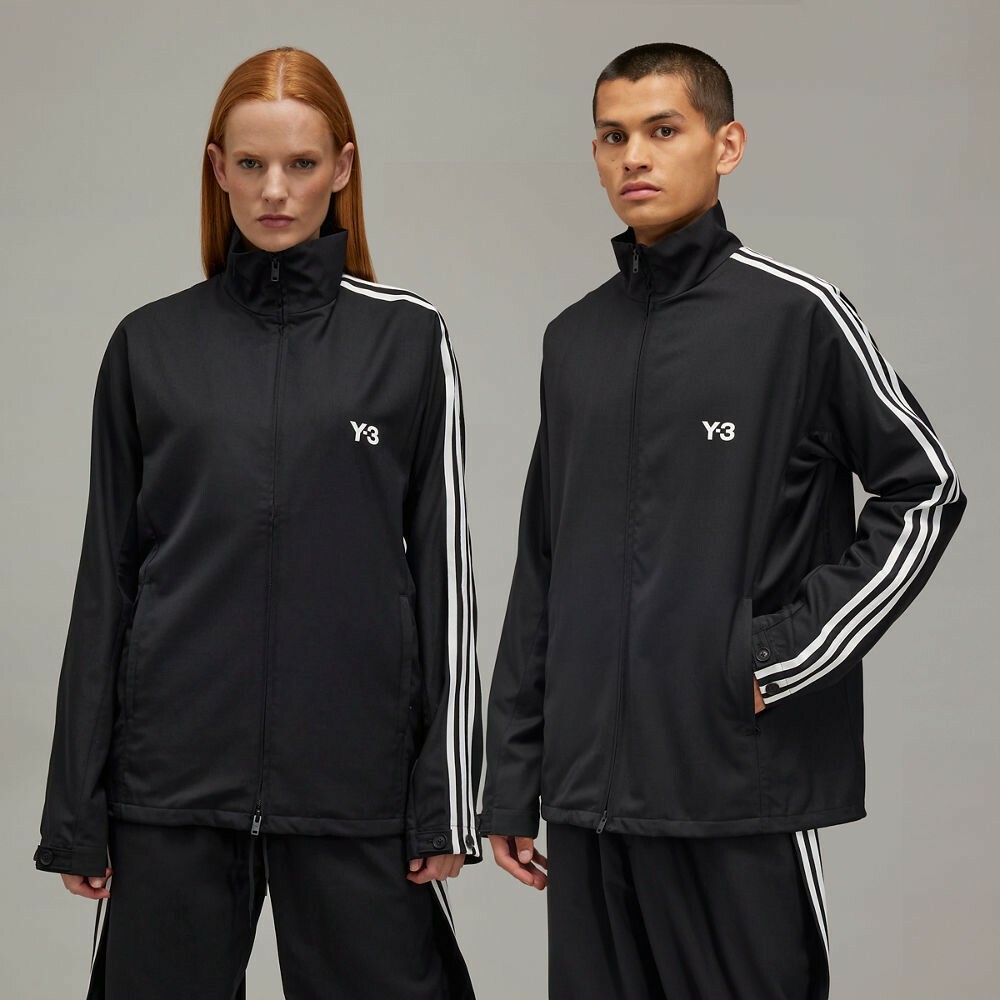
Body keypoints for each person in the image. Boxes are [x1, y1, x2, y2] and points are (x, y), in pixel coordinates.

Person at [480, 42, 966, 1000]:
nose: (634, 156)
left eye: (664, 130)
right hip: (587, 800)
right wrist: (512, 776)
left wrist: (778, 654)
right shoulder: (574, 339)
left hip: (735, 789)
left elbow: (927, 492)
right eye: (613, 136)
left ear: (727, 144)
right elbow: (543, 564)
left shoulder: (798, 317)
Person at [33, 46, 481, 1000]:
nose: (275, 190)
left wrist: (446, 799)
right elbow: (106, 579)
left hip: (355, 784)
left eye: (302, 163)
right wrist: (77, 806)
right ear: (217, 169)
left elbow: (447, 578)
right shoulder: (149, 345)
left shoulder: (407, 340)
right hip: (171, 784)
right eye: (251, 163)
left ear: (343, 168)